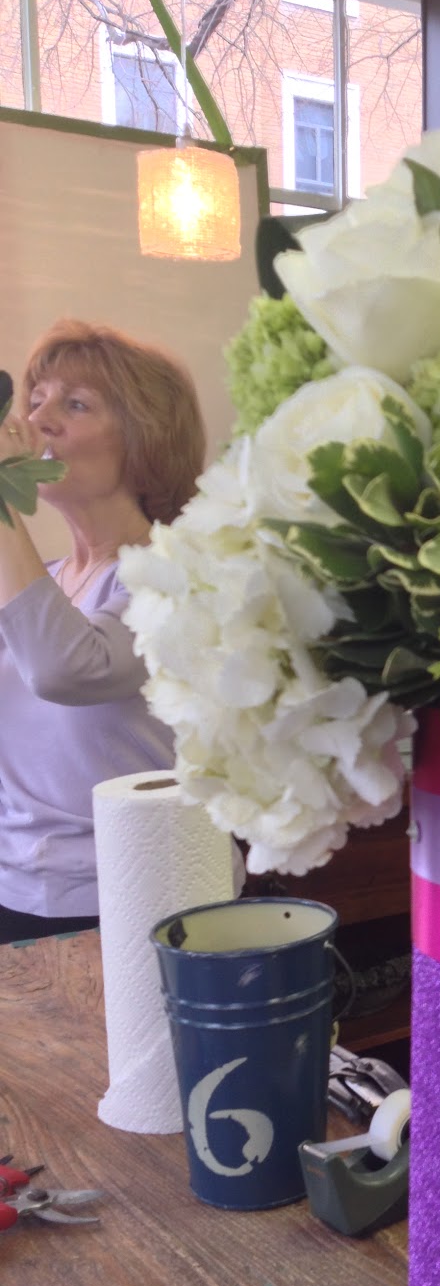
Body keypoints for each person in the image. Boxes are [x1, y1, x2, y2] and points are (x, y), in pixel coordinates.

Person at [0, 319, 205, 944]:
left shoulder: (178, 571)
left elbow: (69, 668)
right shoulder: (45, 578)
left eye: (76, 403)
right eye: (35, 401)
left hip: (139, 893)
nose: (40, 421)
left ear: (144, 440)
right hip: (18, 887)